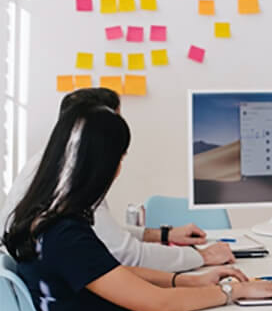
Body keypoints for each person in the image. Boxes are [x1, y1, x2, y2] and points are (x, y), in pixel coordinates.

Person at [4, 104, 272, 311]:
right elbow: (159, 305)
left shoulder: (41, 219)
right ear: (104, 164)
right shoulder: (65, 234)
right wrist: (234, 291)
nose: (120, 168)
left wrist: (187, 281)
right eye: (120, 158)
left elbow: (107, 272)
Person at [0, 88, 234, 271]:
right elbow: (126, 255)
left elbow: (101, 234)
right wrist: (202, 257)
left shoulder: (46, 167)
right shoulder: (72, 181)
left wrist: (163, 235)